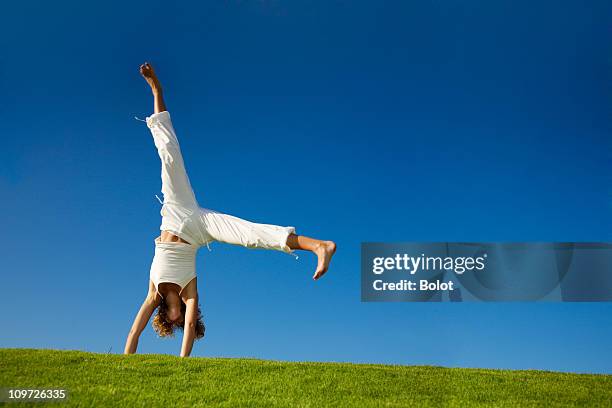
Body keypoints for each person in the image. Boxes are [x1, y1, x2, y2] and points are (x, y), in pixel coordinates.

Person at [124, 62, 336, 357]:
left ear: (163, 315)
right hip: (199, 230)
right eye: (180, 325)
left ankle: (319, 246)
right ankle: (319, 245)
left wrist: (125, 361)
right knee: (250, 236)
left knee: (170, 156)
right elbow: (186, 323)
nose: (178, 322)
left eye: (173, 323)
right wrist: (183, 361)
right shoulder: (189, 293)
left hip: (177, 212)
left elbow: (134, 331)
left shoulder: (153, 293)